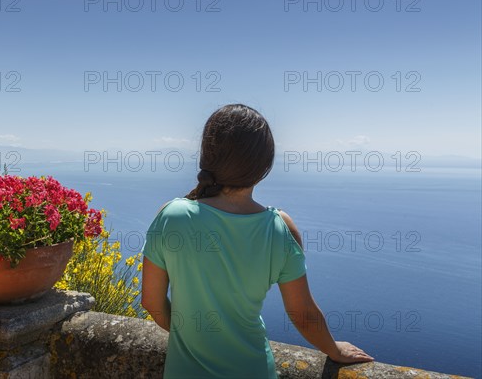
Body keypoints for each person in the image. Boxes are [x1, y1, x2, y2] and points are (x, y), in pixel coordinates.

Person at [141, 104, 374, 378]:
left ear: (207, 155)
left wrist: (191, 335)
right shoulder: (278, 228)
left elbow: (151, 302)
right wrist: (334, 349)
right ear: (264, 164)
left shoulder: (173, 216)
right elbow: (302, 314)